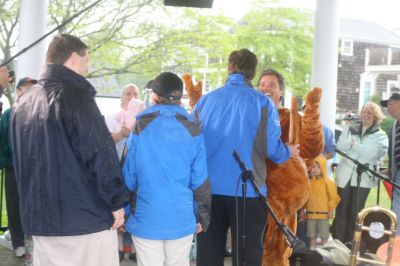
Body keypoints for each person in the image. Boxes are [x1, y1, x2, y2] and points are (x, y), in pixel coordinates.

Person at [10, 34, 129, 266]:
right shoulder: (76, 96)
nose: (87, 66)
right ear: (74, 57)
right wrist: (117, 203)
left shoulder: (23, 102)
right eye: (87, 60)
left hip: (41, 220)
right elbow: (99, 154)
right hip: (84, 220)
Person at [193, 49, 299, 266]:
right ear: (253, 72)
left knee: (208, 256)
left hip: (208, 190)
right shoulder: (262, 103)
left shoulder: (205, 101)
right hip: (247, 191)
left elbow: (189, 143)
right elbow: (272, 150)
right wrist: (289, 151)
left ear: (229, 68)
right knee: (247, 258)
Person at [123, 72, 211, 266]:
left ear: (154, 95)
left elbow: (128, 176)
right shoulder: (192, 129)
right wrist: (202, 216)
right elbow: (200, 179)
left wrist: (125, 211)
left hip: (146, 218)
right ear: (181, 98)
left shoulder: (140, 127)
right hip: (181, 217)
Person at [331, 102, 388, 244]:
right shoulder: (352, 129)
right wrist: (347, 126)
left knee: (355, 213)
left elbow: (372, 154)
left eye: (370, 113)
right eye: (364, 112)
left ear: (376, 116)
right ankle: (338, 244)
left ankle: (351, 245)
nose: (366, 115)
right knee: (341, 211)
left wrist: (353, 145)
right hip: (345, 176)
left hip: (363, 179)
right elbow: (340, 147)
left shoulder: (380, 135)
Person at [0, 77, 37, 258]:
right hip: (13, 167)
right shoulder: (8, 114)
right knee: (14, 206)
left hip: (34, 169)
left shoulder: (39, 113)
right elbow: (3, 141)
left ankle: (31, 239)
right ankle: (18, 242)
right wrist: (6, 162)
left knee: (30, 205)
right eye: (27, 90)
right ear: (18, 91)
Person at [306, 156, 340, 250]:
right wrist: (302, 210)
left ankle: (323, 250)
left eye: (318, 166)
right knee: (311, 234)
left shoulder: (328, 183)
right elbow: (305, 197)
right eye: (313, 167)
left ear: (323, 168)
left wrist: (331, 209)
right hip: (311, 214)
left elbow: (333, 197)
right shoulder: (308, 182)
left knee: (324, 235)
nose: (315, 169)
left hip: (324, 215)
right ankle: (312, 250)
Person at [380, 93, 400, 235]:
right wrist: (388, 170)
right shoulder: (394, 126)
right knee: (397, 210)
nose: (387, 107)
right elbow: (395, 153)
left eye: (390, 103)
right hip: (397, 174)